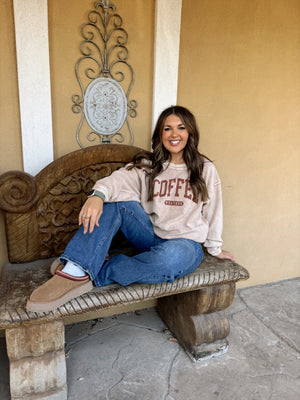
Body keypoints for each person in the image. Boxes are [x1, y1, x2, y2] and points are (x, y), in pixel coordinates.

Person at [26, 105, 235, 313]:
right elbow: (118, 180)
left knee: (169, 260)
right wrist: (97, 196)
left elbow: (214, 210)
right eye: (167, 128)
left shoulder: (204, 168)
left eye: (181, 128)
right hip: (149, 236)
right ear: (160, 133)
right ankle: (77, 267)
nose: (174, 134)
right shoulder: (148, 165)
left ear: (190, 132)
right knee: (115, 200)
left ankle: (92, 272)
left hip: (185, 245)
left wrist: (215, 248)